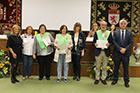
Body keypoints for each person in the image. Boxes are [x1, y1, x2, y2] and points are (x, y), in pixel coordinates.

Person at [111, 19, 133, 88]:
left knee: (126, 68)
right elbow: (114, 42)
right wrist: (119, 49)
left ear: (126, 25)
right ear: (119, 25)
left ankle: (126, 81)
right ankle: (115, 80)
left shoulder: (130, 33)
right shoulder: (116, 33)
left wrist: (125, 49)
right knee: (116, 67)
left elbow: (131, 42)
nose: (123, 25)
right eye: (121, 24)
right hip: (117, 53)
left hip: (126, 54)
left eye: (124, 24)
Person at [93, 21, 112, 85]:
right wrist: (95, 44)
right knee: (97, 66)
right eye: (102, 25)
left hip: (105, 51)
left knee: (104, 66)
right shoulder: (97, 32)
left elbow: (111, 42)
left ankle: (103, 78)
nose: (103, 26)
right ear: (100, 25)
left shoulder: (108, 33)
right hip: (98, 51)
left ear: (106, 26)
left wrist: (109, 44)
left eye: (105, 25)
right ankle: (97, 78)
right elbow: (93, 42)